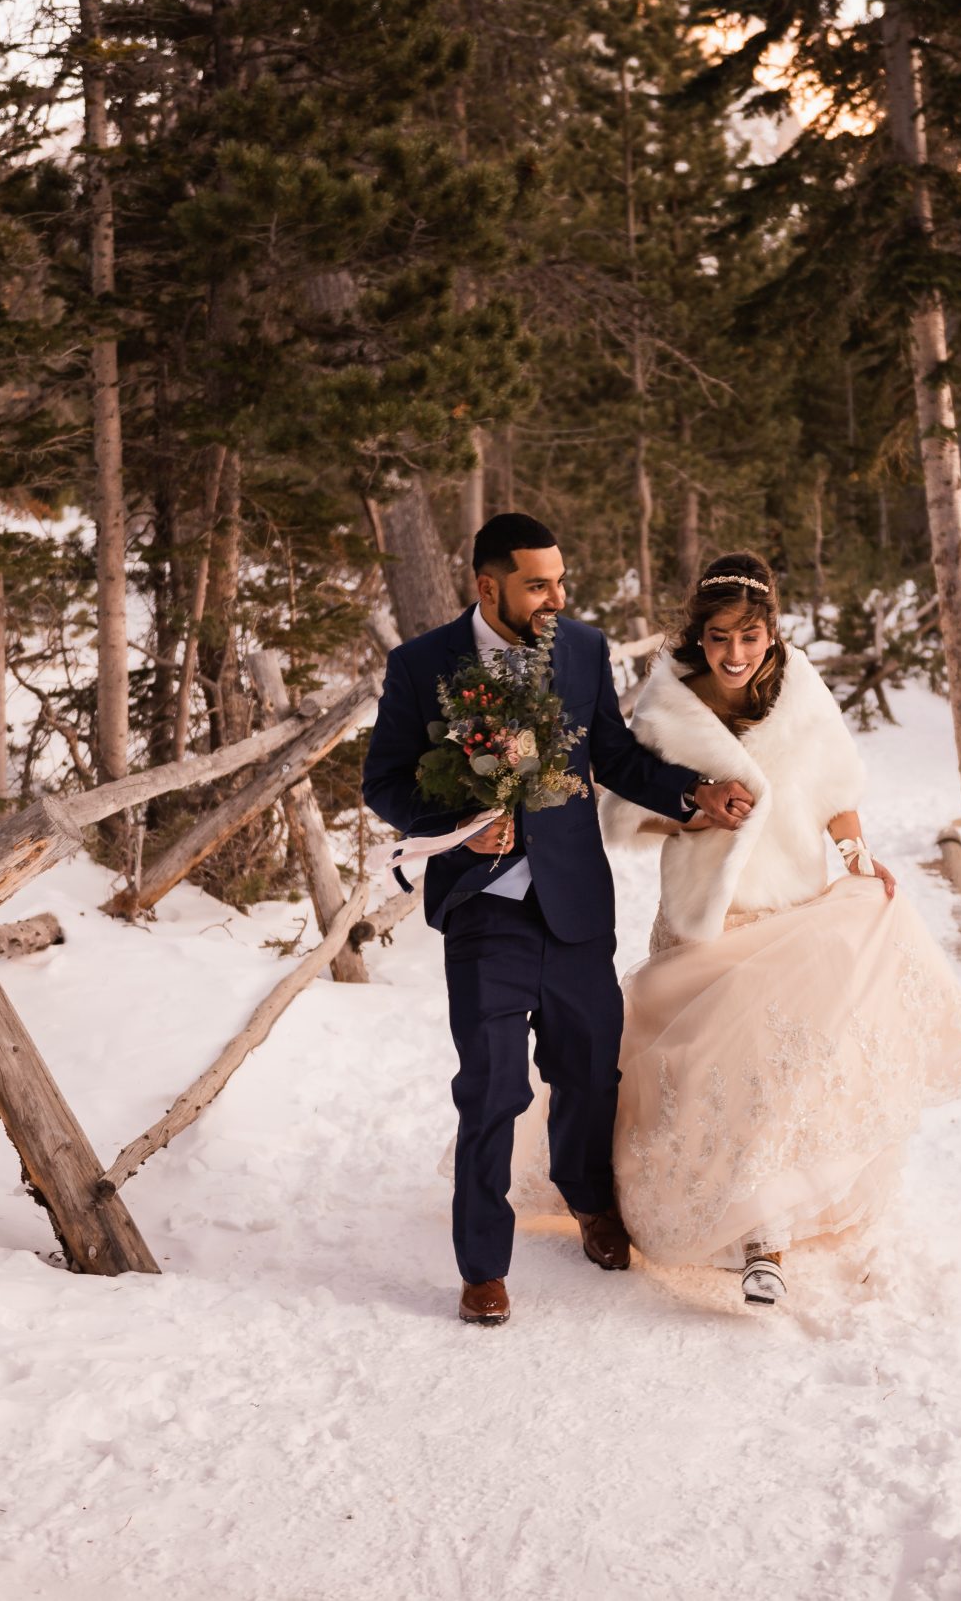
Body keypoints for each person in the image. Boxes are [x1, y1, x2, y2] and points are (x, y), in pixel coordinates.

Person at [361, 513, 758, 1328]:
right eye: (537, 583)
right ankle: (482, 1265)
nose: (556, 596)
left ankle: (590, 1202)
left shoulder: (580, 647)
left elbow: (608, 753)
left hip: (576, 902)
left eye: (560, 580)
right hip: (484, 911)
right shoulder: (421, 665)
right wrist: (468, 814)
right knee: (492, 1089)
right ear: (487, 585)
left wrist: (692, 796)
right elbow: (385, 783)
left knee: (588, 1073)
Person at [600, 553, 961, 1306]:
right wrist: (693, 806)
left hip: (786, 912)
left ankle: (766, 1242)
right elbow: (621, 812)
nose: (734, 653)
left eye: (749, 636)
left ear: (771, 630)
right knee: (697, 1083)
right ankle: (701, 1213)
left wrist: (857, 858)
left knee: (776, 1082)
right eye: (720, 636)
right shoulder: (666, 702)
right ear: (700, 632)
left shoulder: (803, 692)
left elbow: (833, 791)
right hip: (702, 924)